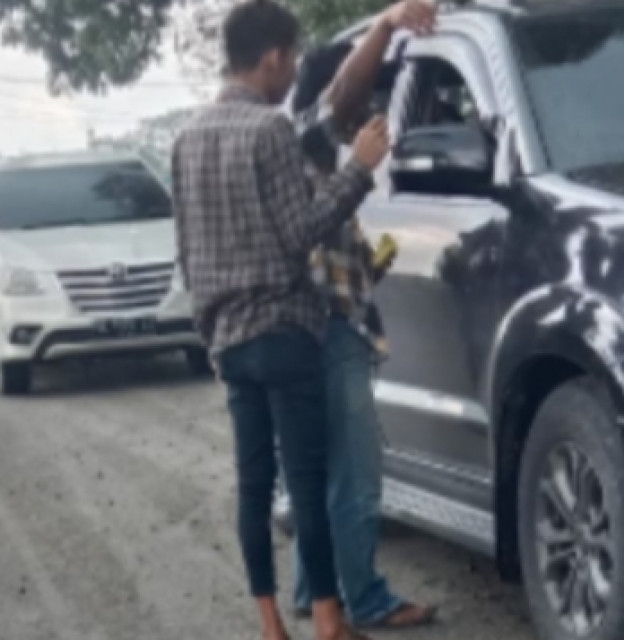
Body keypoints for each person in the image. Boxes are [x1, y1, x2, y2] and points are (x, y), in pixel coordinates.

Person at [170, 2, 390, 639]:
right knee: (306, 478)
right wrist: (359, 170)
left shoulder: (184, 138)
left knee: (253, 486)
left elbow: (187, 252)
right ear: (271, 57)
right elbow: (302, 231)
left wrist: (209, 335)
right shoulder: (268, 130)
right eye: (292, 59)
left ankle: (270, 626)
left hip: (229, 339)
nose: (294, 72)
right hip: (284, 330)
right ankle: (327, 619)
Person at [281, 0, 439, 629]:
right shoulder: (306, 138)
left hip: (321, 326)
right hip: (331, 335)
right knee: (356, 477)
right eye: (362, 93)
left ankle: (308, 592)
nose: (369, 110)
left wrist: (371, 267)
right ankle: (366, 599)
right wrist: (386, 23)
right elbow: (337, 100)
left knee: (318, 476)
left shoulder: (311, 158)